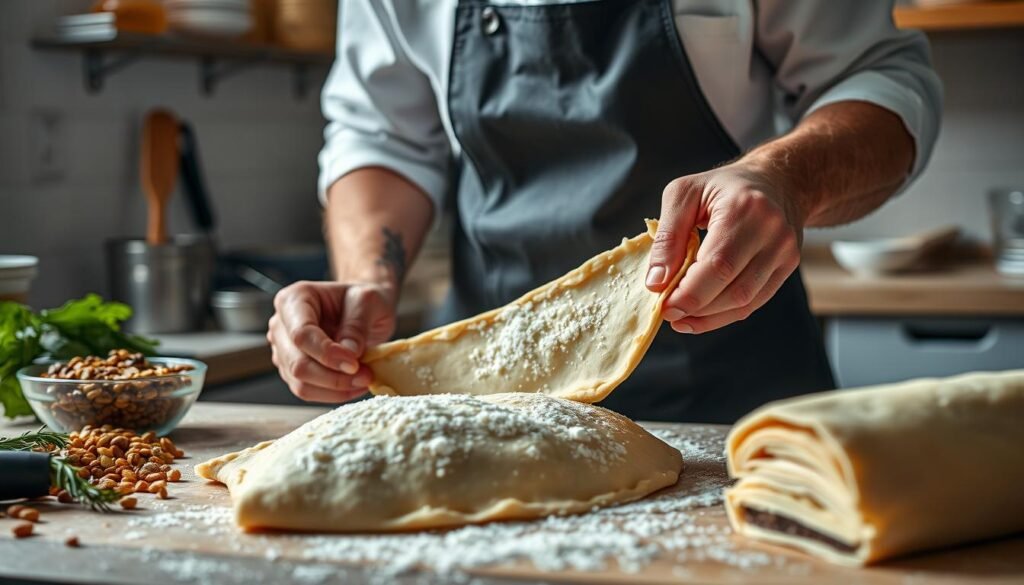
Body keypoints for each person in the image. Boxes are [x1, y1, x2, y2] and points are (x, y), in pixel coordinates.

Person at [267, 1, 942, 423]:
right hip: (485, 404)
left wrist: (785, 178)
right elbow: (382, 134)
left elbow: (881, 76)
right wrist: (366, 282)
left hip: (732, 388)